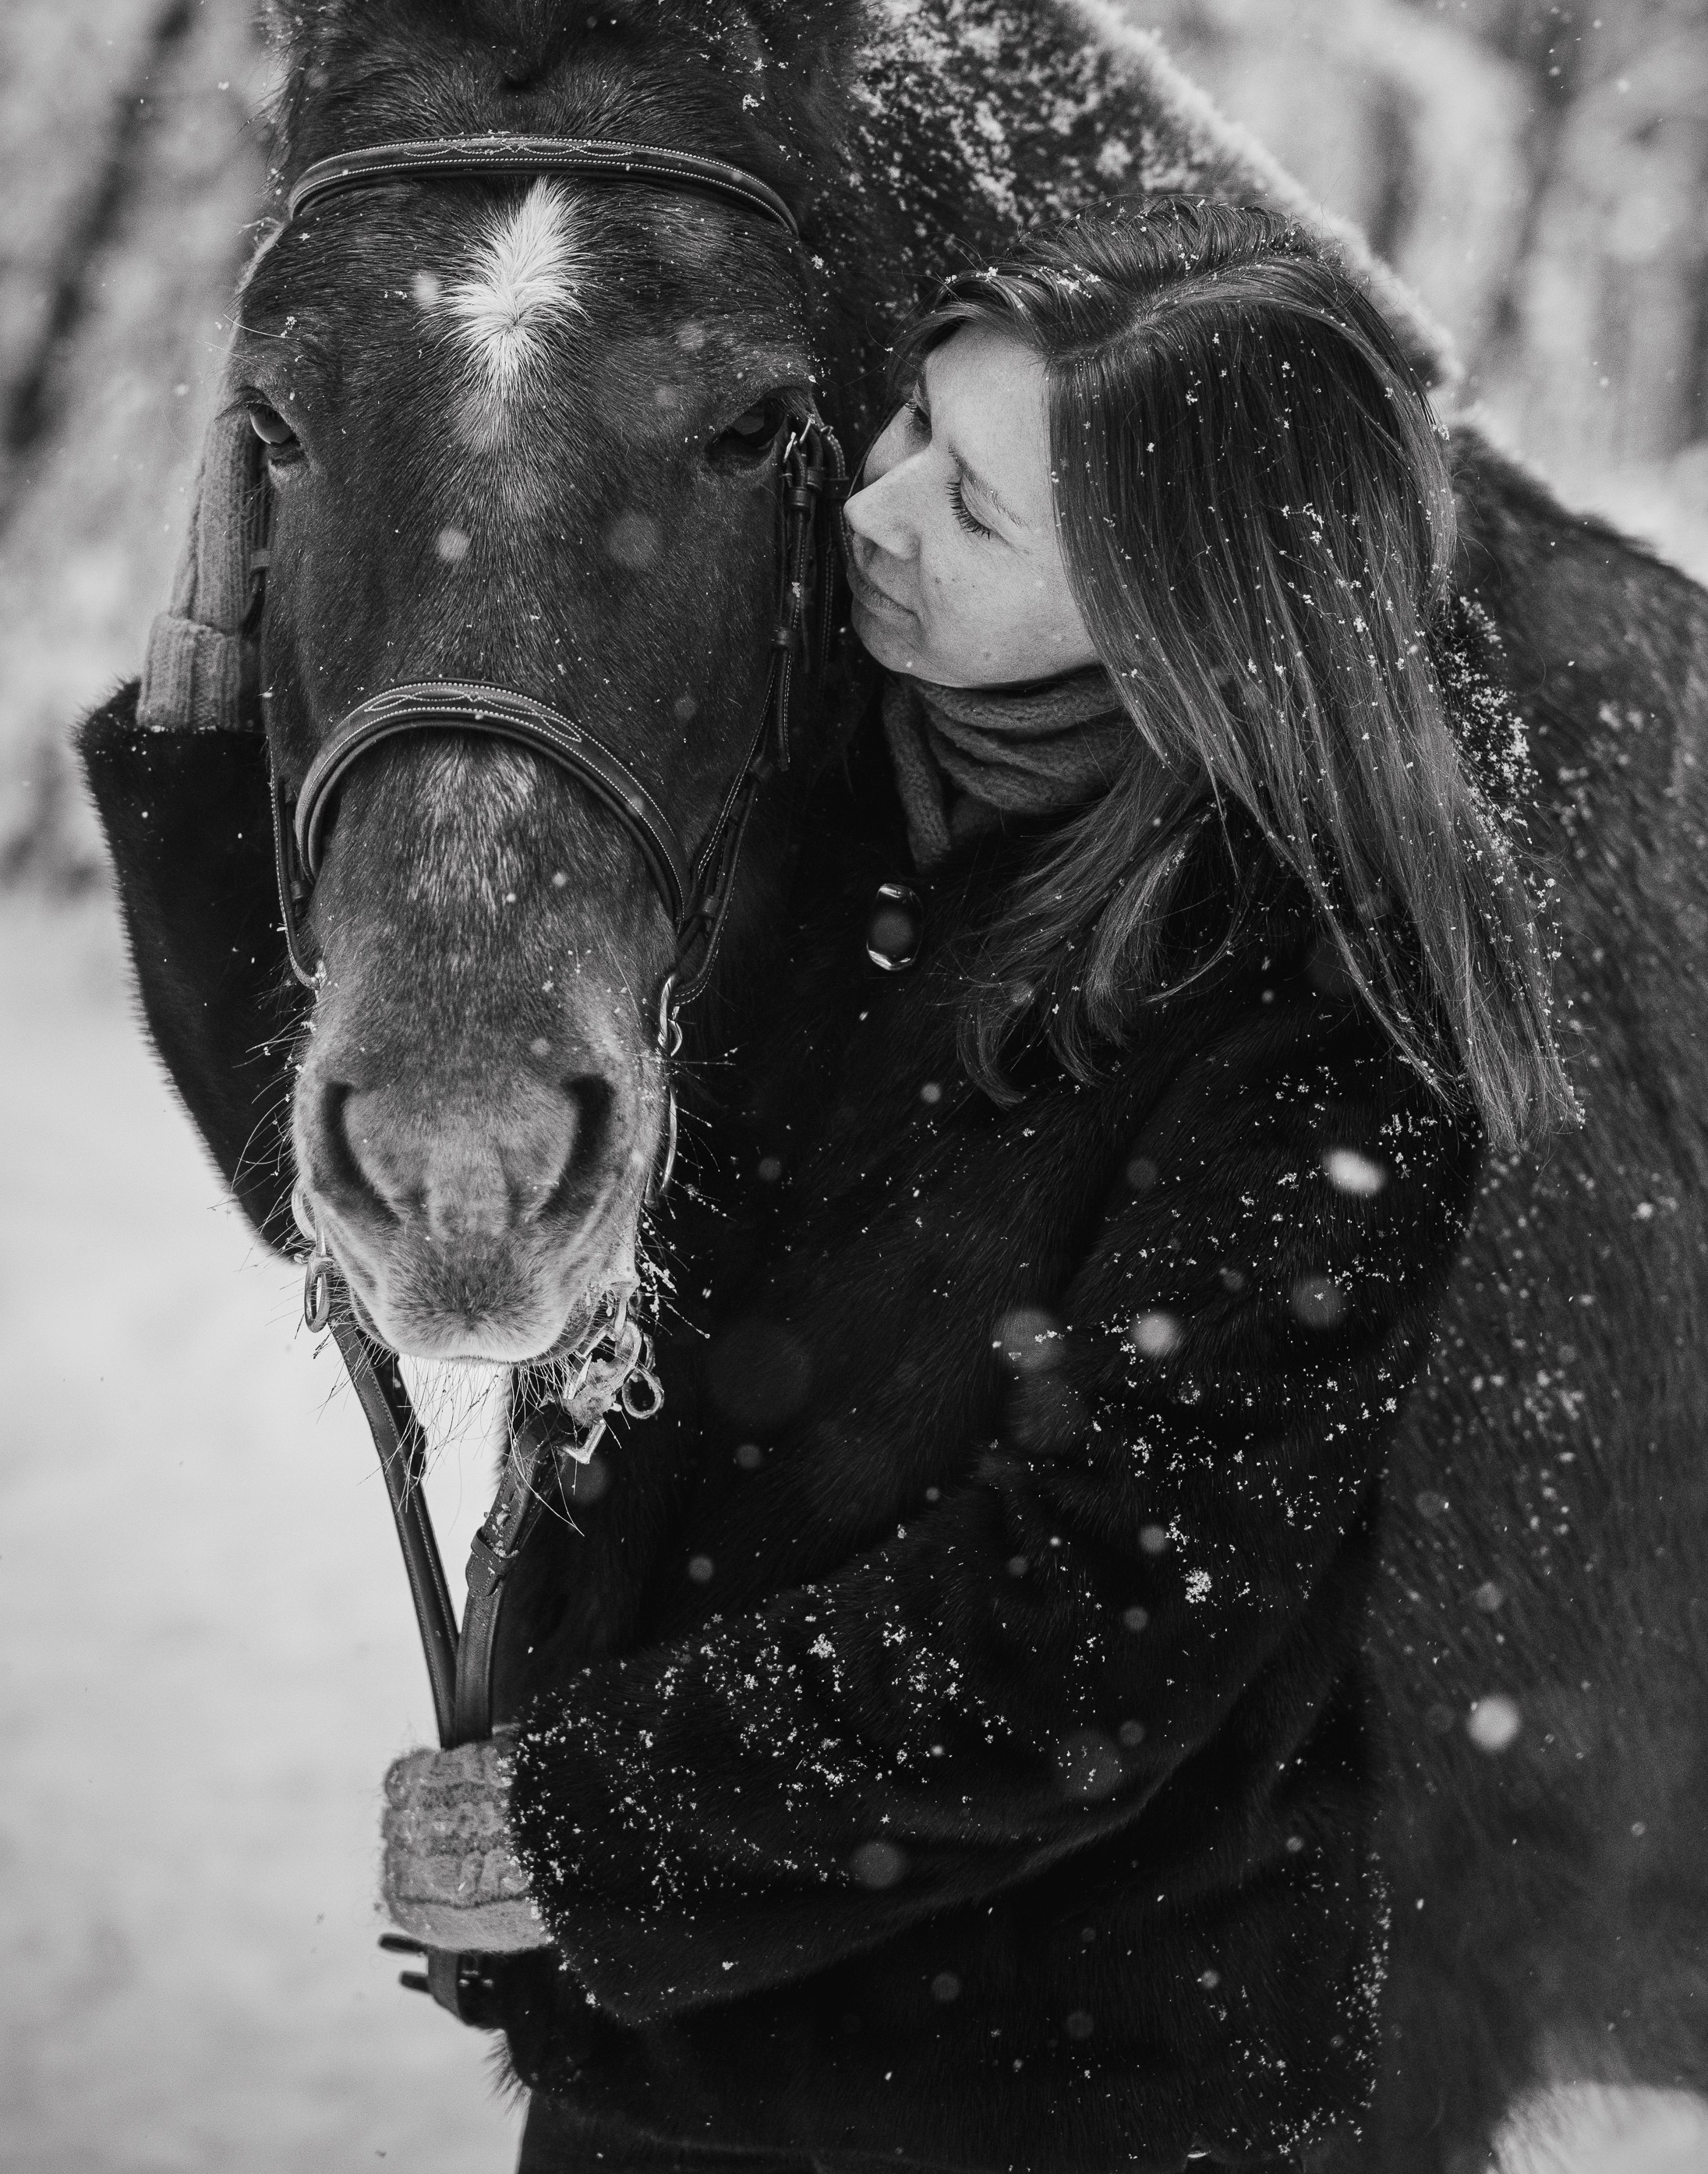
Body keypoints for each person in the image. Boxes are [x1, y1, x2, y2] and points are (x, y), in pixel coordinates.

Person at [378, 200, 1573, 2173]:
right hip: (691, 2046)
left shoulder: (1324, 1017)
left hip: (1039, 2099)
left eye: (981, 510)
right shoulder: (833, 794)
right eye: (913, 428)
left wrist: (596, 1825)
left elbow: (1102, 1605)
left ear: (1190, 613)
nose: (879, 507)